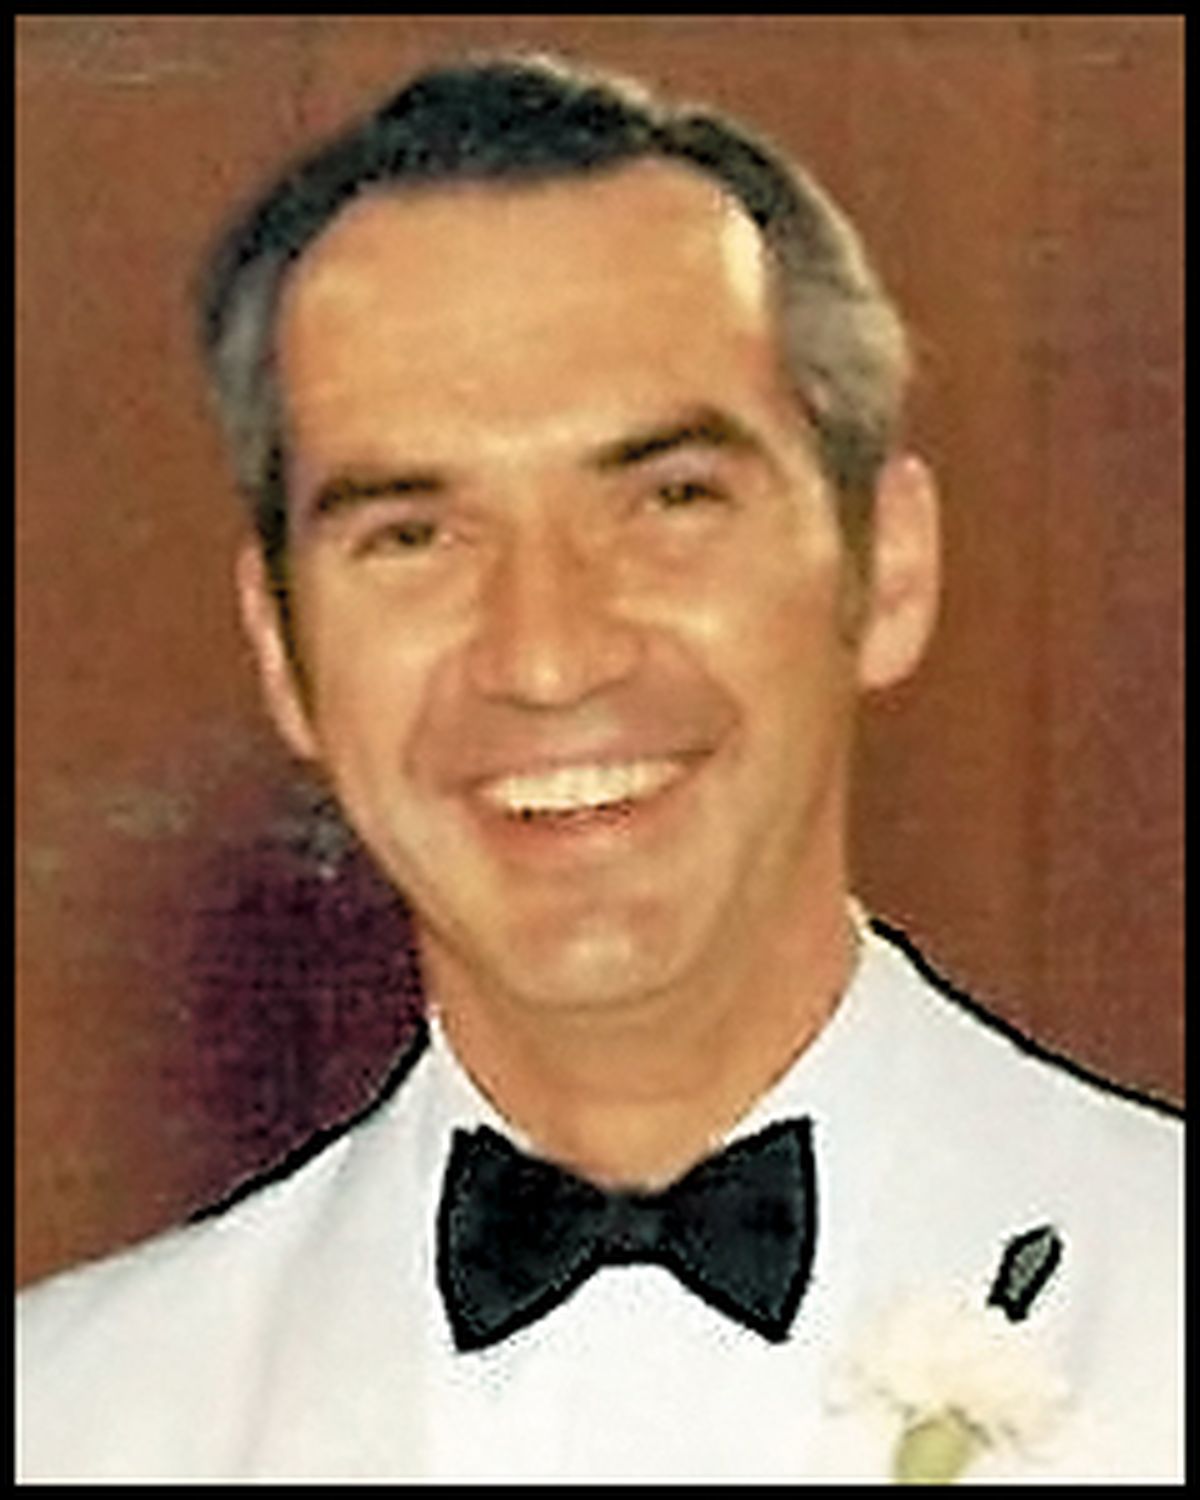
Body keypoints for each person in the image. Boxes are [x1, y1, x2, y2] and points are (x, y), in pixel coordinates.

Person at [17, 53, 1181, 1481]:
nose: (549, 655)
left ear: (888, 568)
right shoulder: (68, 1421)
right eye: (412, 535)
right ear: (281, 648)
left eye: (670, 500)